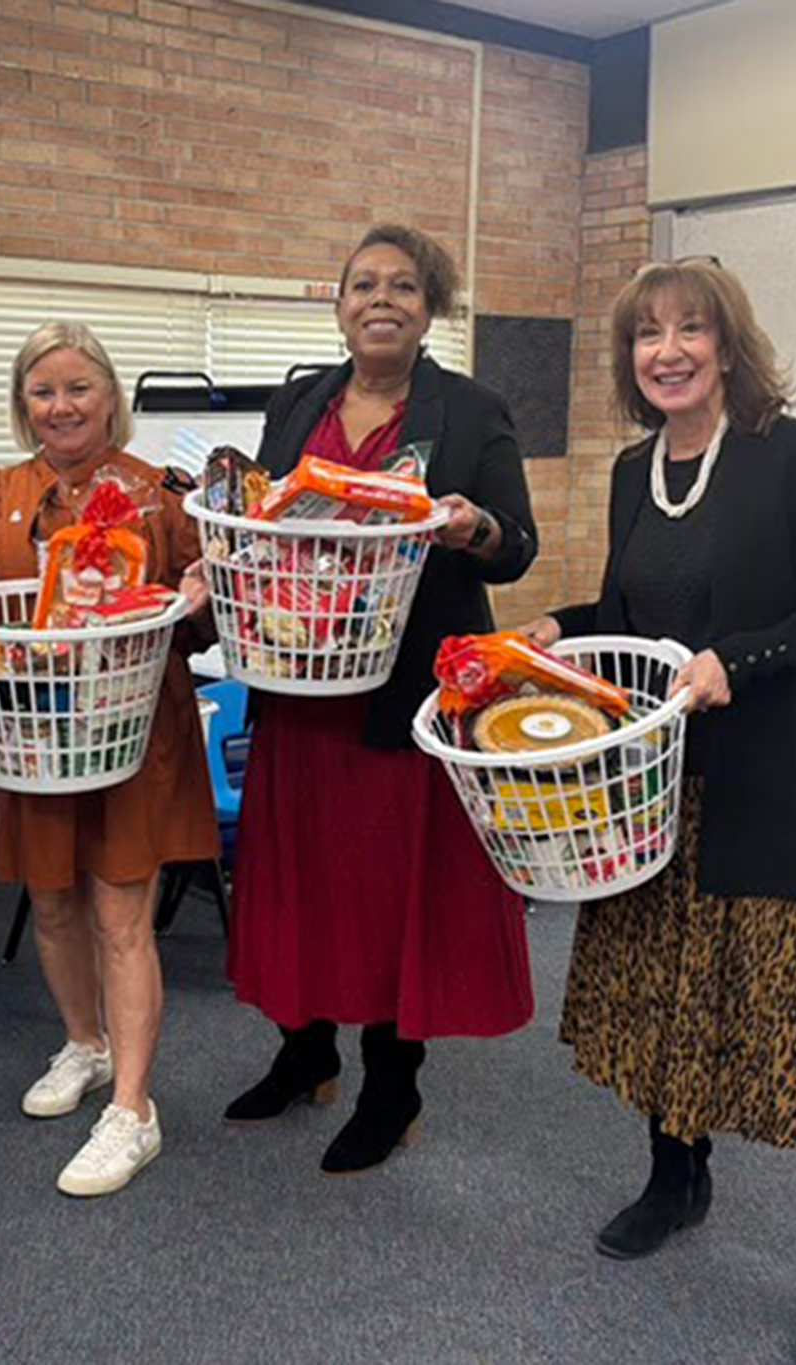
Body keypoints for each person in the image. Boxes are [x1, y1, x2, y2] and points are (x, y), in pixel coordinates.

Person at [517, 258, 796, 1363]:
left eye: (688, 329)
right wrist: (559, 621)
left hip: (766, 789)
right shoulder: (638, 471)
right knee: (658, 996)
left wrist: (744, 658)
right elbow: (639, 611)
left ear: (727, 345)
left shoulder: (795, 457)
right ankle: (675, 1182)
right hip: (651, 792)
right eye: (646, 334)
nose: (665, 349)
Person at [219, 225, 539, 1173]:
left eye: (403, 285)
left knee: (388, 892)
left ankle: (391, 1086)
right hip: (301, 683)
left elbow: (514, 545)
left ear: (429, 304)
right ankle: (304, 1051)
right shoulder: (297, 399)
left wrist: (473, 525)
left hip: (399, 693)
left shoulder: (472, 411)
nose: (381, 299)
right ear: (341, 304)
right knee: (302, 882)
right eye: (364, 284)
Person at [0, 322, 217, 1198]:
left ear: (110, 397)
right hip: (26, 734)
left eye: (78, 387)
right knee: (51, 903)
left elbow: (208, 615)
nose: (61, 406)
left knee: (123, 913)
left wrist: (202, 590)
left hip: (131, 735)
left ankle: (134, 1108)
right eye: (43, 391)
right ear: (23, 406)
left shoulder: (163, 497)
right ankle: (84, 1043)